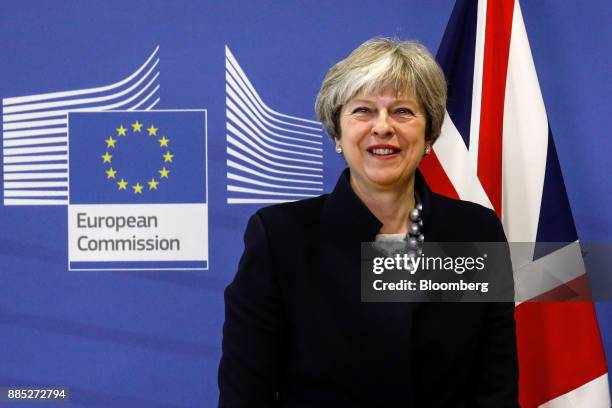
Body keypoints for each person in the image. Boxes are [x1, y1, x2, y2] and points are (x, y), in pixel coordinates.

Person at [219, 38, 518, 407]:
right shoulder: (281, 237)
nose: (383, 127)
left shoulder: (476, 232)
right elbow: (246, 395)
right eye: (362, 111)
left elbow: (496, 387)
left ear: (430, 135)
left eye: (403, 112)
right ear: (336, 134)